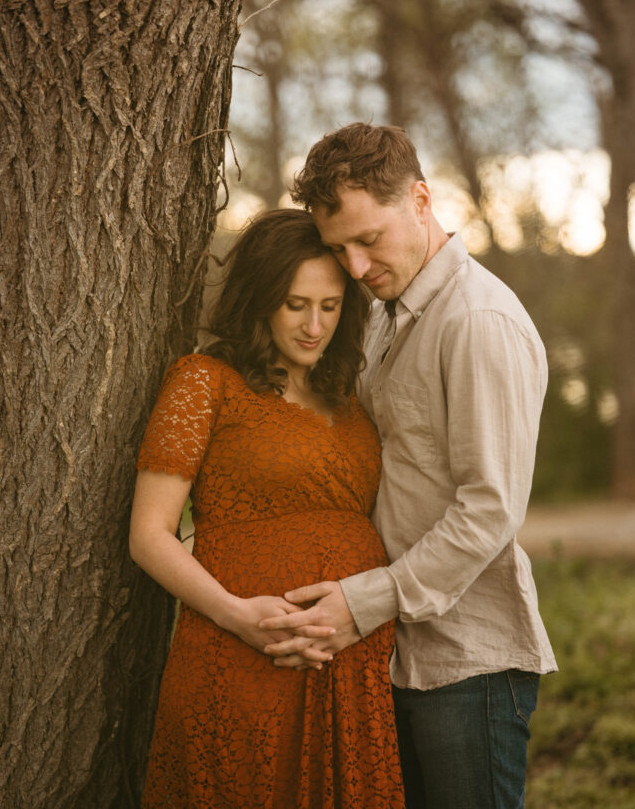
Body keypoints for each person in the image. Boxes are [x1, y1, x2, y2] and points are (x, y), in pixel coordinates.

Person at [258, 124, 558, 809]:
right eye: (339, 248)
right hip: (391, 655)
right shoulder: (389, 316)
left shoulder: (476, 321)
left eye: (369, 239)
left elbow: (490, 508)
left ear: (420, 199)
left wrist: (363, 604)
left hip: (467, 663)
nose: (355, 267)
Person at [129, 207, 405, 809]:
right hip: (240, 657)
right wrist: (237, 616)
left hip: (349, 669)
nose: (313, 325)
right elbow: (149, 535)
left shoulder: (348, 399)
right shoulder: (205, 382)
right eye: (294, 304)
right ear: (259, 299)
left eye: (329, 306)